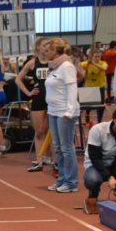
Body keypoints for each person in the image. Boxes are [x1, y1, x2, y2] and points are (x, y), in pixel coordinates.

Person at [82, 106, 116, 214]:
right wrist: (109, 177)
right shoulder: (97, 130)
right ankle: (92, 197)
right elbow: (95, 158)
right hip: (95, 164)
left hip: (114, 164)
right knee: (93, 180)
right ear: (115, 120)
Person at [44, 38, 80, 193]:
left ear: (55, 51)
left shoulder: (66, 66)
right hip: (53, 111)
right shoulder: (54, 67)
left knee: (66, 148)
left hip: (64, 112)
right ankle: (61, 179)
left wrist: (70, 111)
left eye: (48, 50)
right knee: (58, 148)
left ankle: (71, 182)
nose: (45, 53)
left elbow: (72, 88)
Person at [16, 37, 54, 172]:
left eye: (49, 45)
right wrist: (28, 93)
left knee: (51, 132)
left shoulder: (53, 61)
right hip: (38, 99)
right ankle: (39, 161)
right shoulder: (33, 63)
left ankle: (51, 159)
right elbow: (18, 79)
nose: (47, 47)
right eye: (44, 45)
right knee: (39, 131)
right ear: (38, 47)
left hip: (52, 99)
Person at [80, 49, 108, 124]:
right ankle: (87, 114)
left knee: (101, 106)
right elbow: (78, 67)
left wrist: (93, 63)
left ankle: (99, 121)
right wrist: (83, 71)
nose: (97, 58)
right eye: (95, 57)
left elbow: (104, 69)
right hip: (90, 87)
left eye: (99, 56)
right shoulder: (86, 63)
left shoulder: (103, 63)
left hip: (100, 87)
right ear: (91, 57)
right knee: (88, 105)